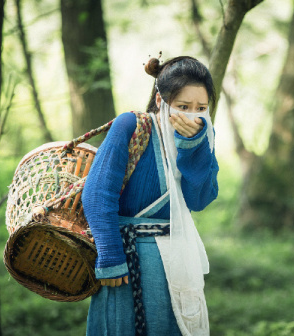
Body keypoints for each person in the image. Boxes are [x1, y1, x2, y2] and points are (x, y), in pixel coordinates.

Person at [82, 55, 219, 336]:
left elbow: (200, 199)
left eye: (201, 108)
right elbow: (97, 195)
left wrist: (193, 147)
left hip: (179, 260)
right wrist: (110, 259)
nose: (192, 115)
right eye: (183, 106)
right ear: (160, 101)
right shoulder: (131, 126)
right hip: (127, 262)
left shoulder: (204, 136)